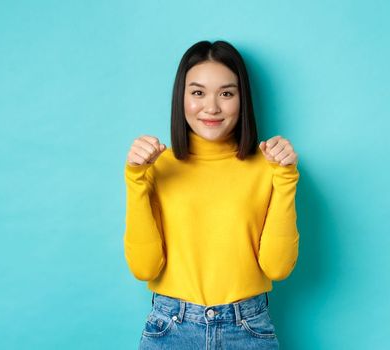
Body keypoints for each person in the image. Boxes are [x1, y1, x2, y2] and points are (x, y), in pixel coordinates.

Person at [124, 40, 300, 350]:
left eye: (227, 93)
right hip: (171, 327)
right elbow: (144, 268)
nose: (211, 107)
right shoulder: (157, 166)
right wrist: (136, 179)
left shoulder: (269, 167)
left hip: (247, 328)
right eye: (198, 92)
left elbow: (278, 268)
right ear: (181, 97)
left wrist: (285, 178)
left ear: (242, 99)